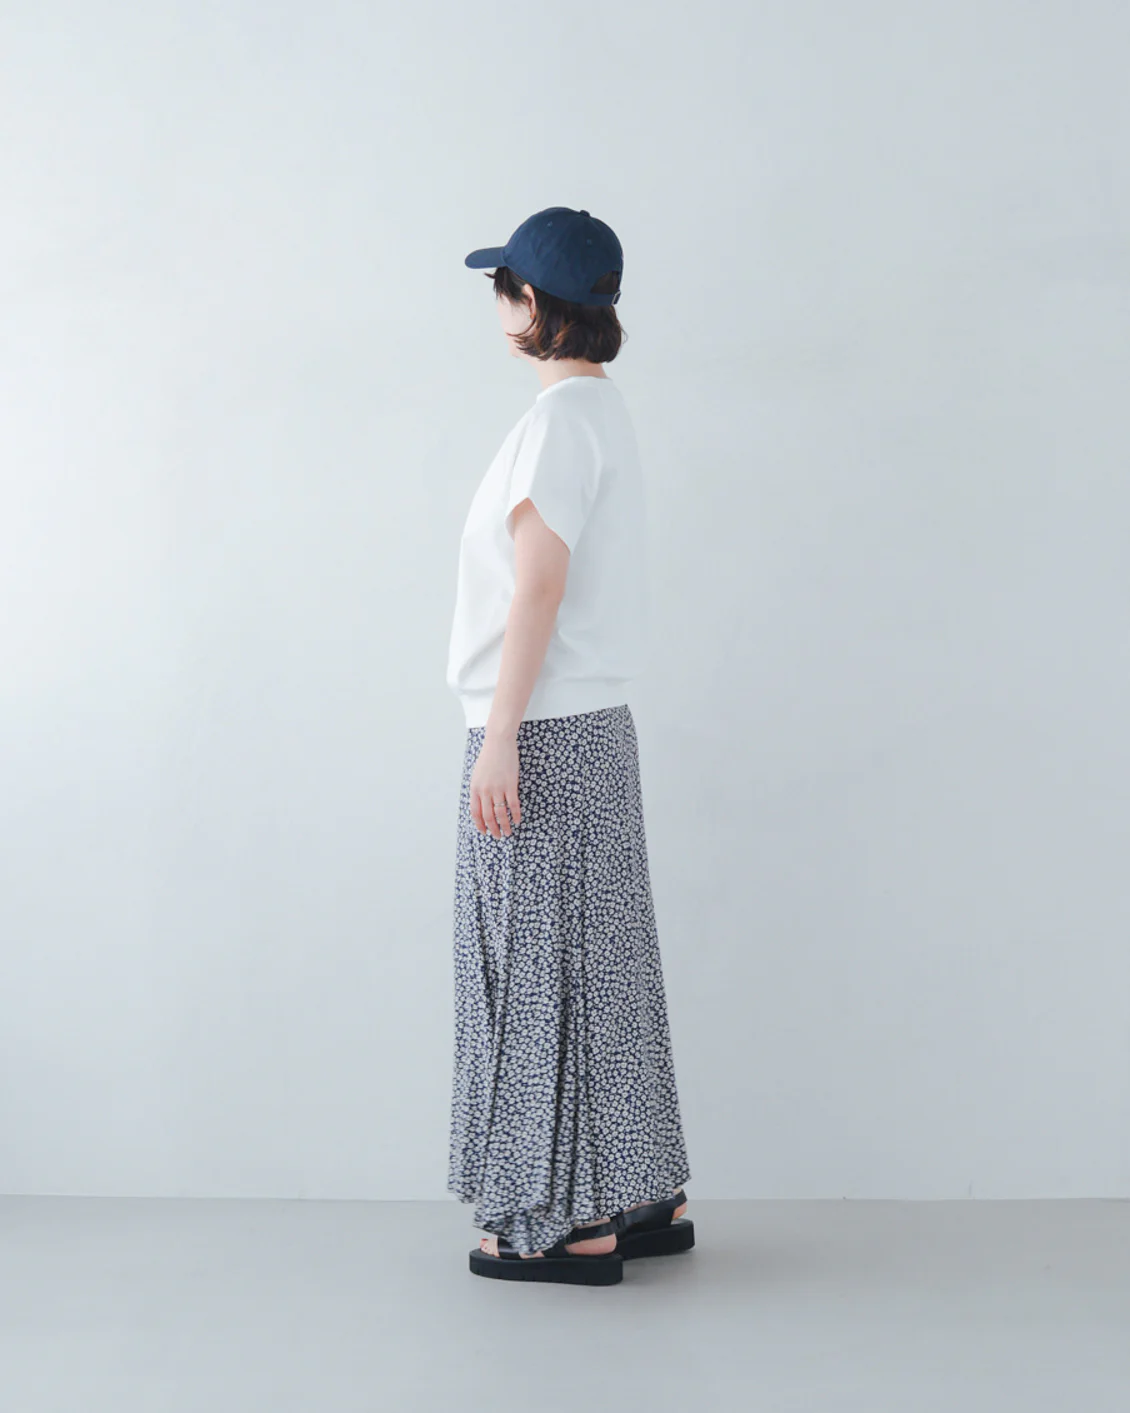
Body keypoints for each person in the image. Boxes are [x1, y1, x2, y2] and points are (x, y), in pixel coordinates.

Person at [446, 206, 692, 1286]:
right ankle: (639, 1193)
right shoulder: (601, 412)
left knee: (537, 969)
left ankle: (560, 1221)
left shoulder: (553, 426)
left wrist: (498, 738)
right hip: (593, 728)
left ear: (531, 303)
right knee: (603, 963)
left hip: (540, 733)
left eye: (501, 286)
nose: (496, 305)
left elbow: (537, 588)